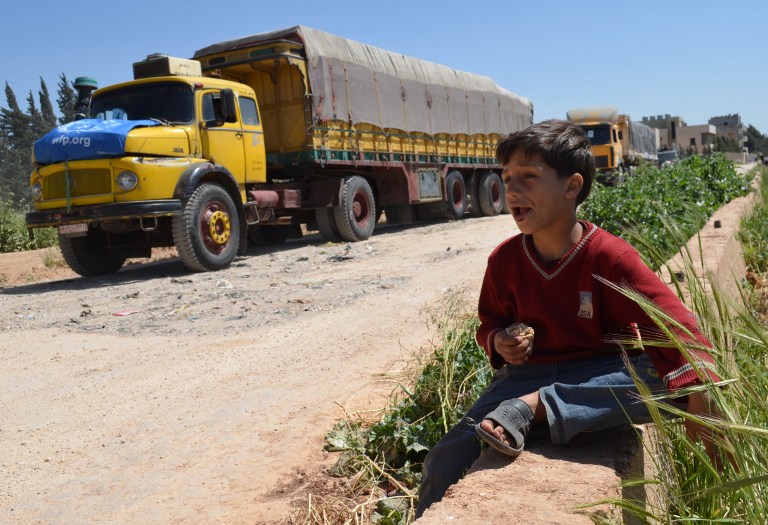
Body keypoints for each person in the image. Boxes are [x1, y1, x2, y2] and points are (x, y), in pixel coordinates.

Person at [415, 119, 722, 518]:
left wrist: (699, 387)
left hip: (601, 374)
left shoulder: (609, 257)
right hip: (524, 378)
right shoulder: (505, 261)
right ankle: (530, 410)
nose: (512, 189)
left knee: (670, 377)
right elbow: (489, 321)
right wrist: (500, 340)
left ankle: (536, 408)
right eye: (506, 178)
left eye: (528, 176)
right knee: (443, 459)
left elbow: (674, 324)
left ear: (571, 186)